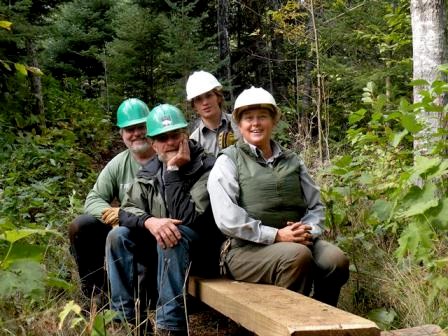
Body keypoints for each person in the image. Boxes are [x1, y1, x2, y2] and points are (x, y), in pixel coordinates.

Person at [207, 86, 350, 307]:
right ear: (239, 125)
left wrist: (307, 230)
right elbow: (228, 219)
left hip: (297, 241)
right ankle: (287, 323)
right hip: (244, 250)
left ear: (273, 120)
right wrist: (276, 236)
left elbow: (316, 206)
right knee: (296, 256)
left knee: (335, 260)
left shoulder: (292, 159)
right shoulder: (228, 161)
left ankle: (323, 320)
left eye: (262, 117)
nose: (255, 123)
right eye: (248, 118)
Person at [106, 104, 221, 335]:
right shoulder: (149, 171)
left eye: (175, 135)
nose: (170, 142)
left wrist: (172, 171)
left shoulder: (208, 167)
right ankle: (128, 321)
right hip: (164, 252)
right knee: (118, 235)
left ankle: (170, 327)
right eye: (162, 137)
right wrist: (150, 221)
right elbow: (127, 209)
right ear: (153, 143)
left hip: (203, 253)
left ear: (185, 136)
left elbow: (186, 218)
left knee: (173, 234)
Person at [68, 98, 155, 303]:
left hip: (154, 230)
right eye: (129, 129)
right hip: (125, 230)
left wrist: (129, 218)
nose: (136, 134)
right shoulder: (118, 163)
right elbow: (94, 198)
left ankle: (147, 297)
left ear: (150, 126)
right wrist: (115, 218)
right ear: (121, 134)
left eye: (140, 127)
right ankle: (98, 293)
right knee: (82, 226)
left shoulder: (164, 156)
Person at [186, 70, 239, 156]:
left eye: (208, 95)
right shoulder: (194, 141)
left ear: (218, 97)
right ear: (194, 106)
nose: (205, 103)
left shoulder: (239, 122)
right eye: (199, 99)